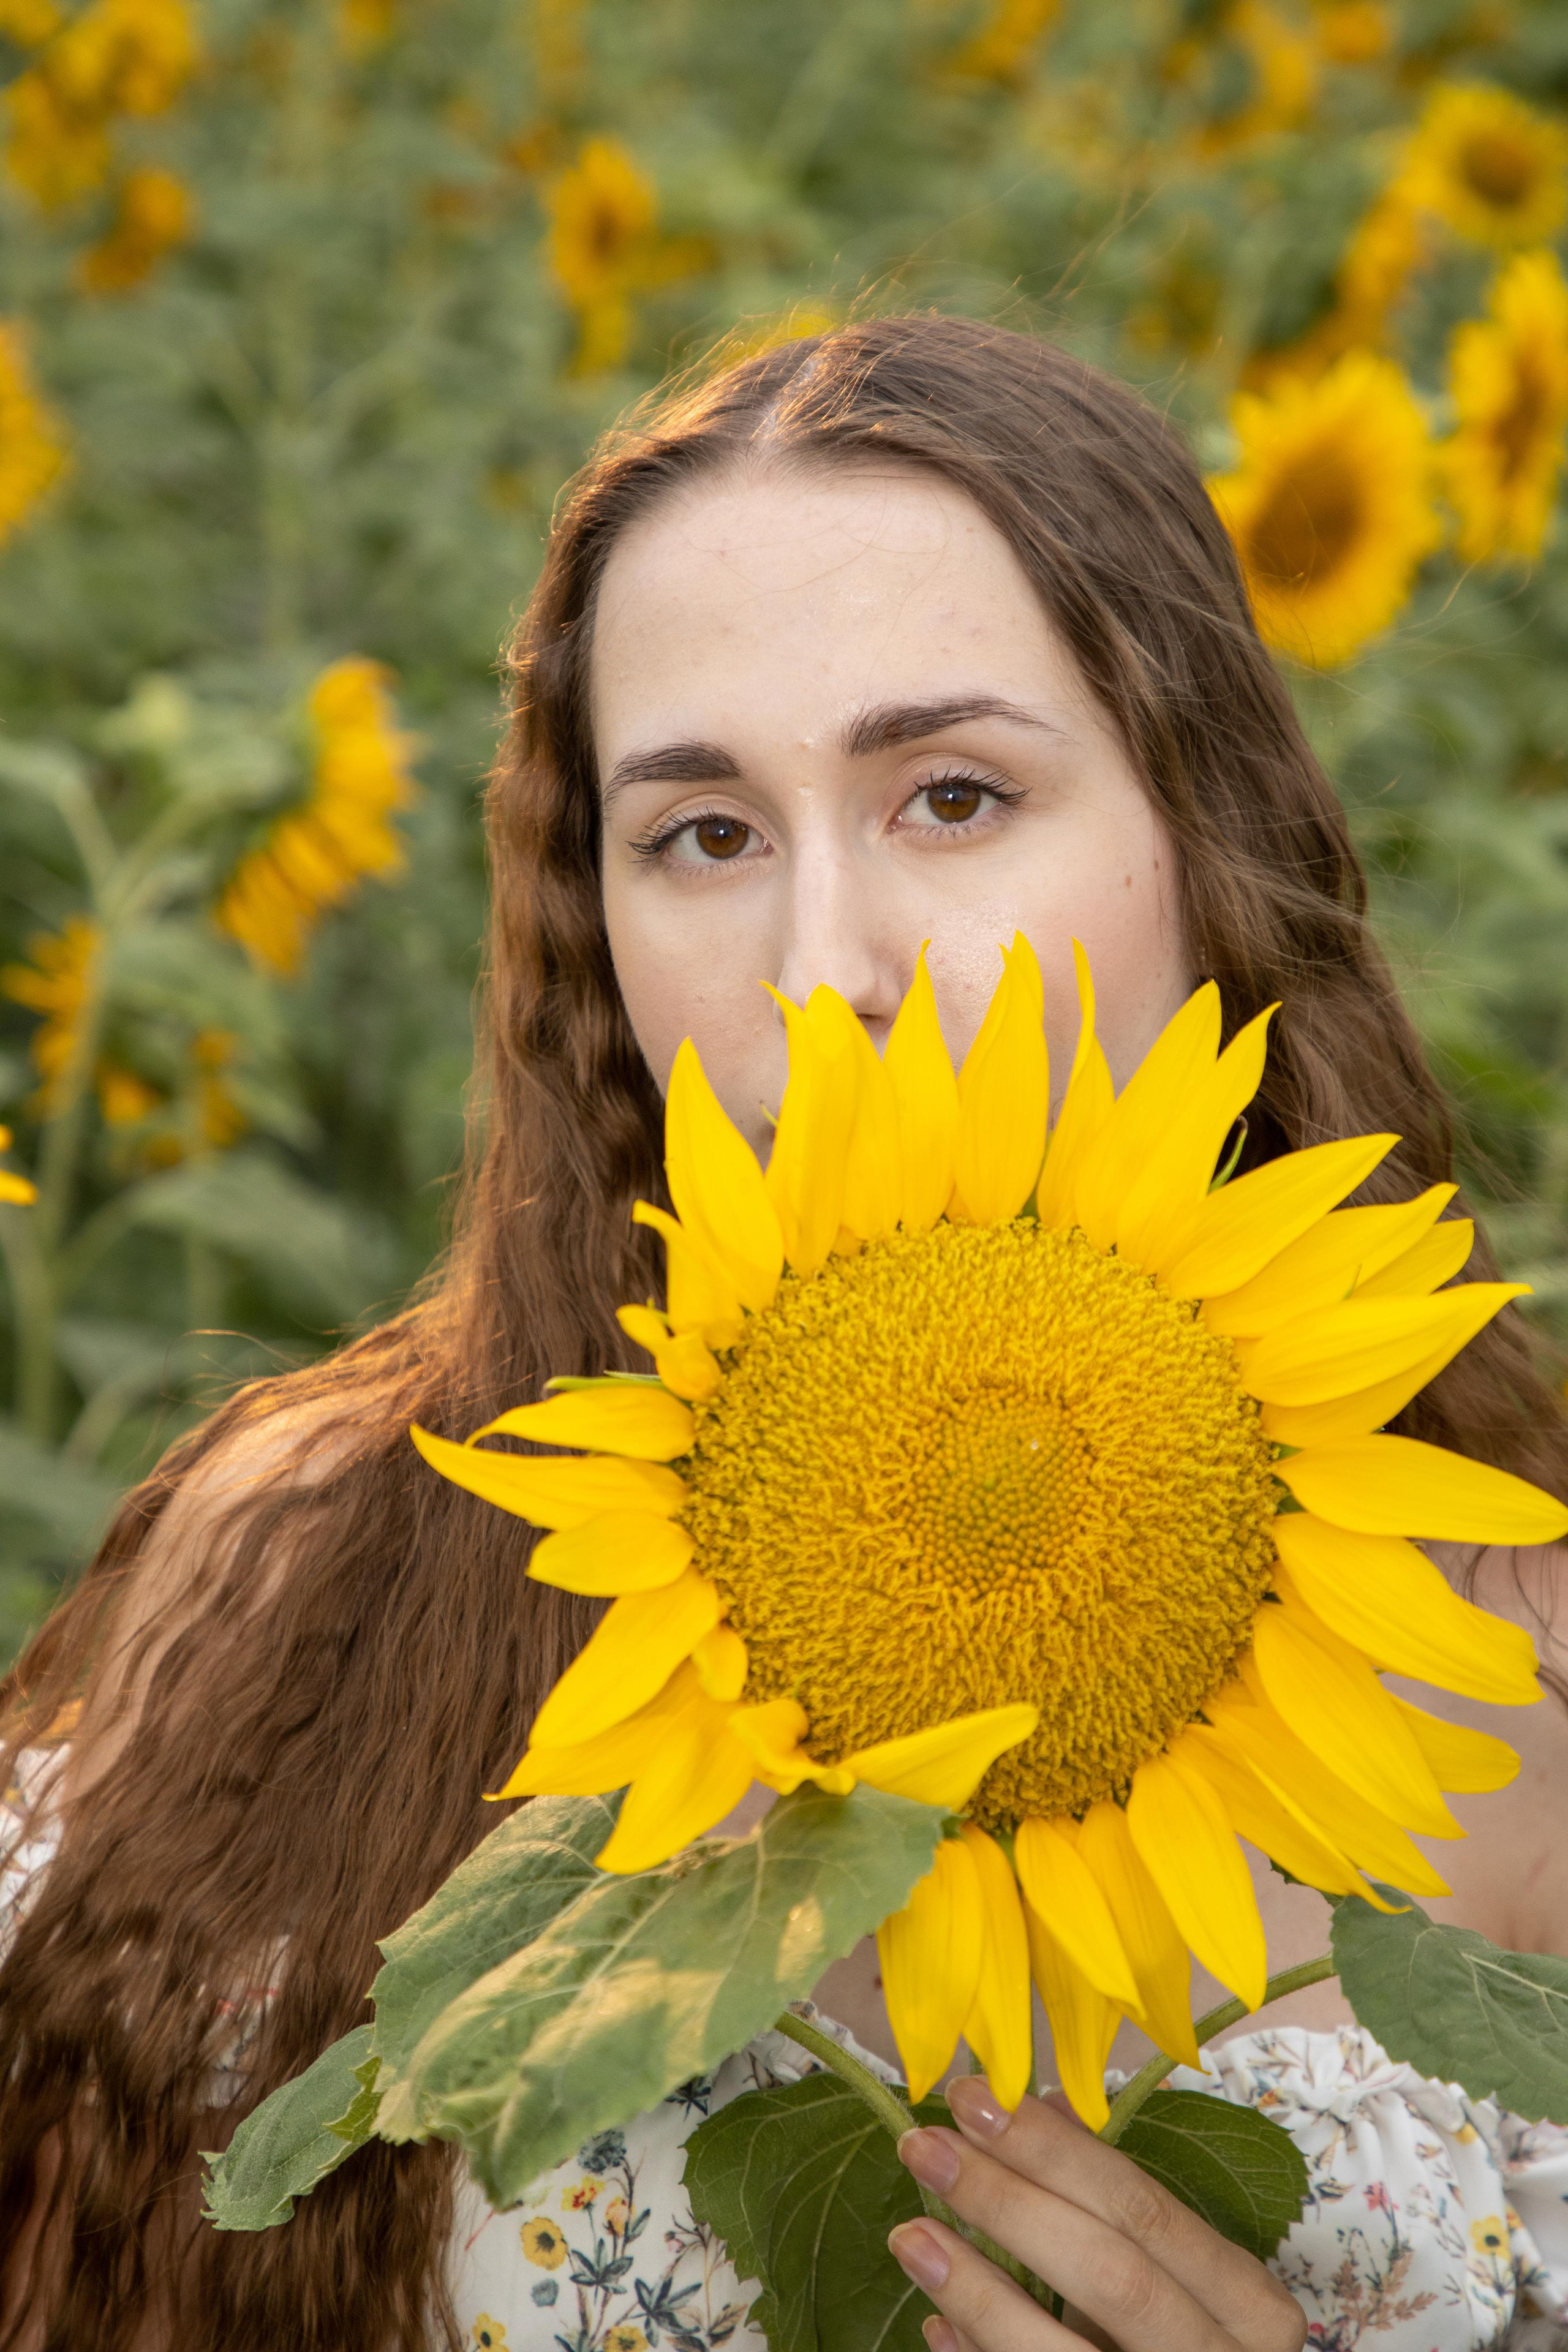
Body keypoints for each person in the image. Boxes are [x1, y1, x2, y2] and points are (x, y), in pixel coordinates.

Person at [1, 316, 1565, 2352]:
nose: (829, 977)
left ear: (1204, 834)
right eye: (705, 836)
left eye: (952, 794)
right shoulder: (299, 1584)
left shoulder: (1520, 1684)